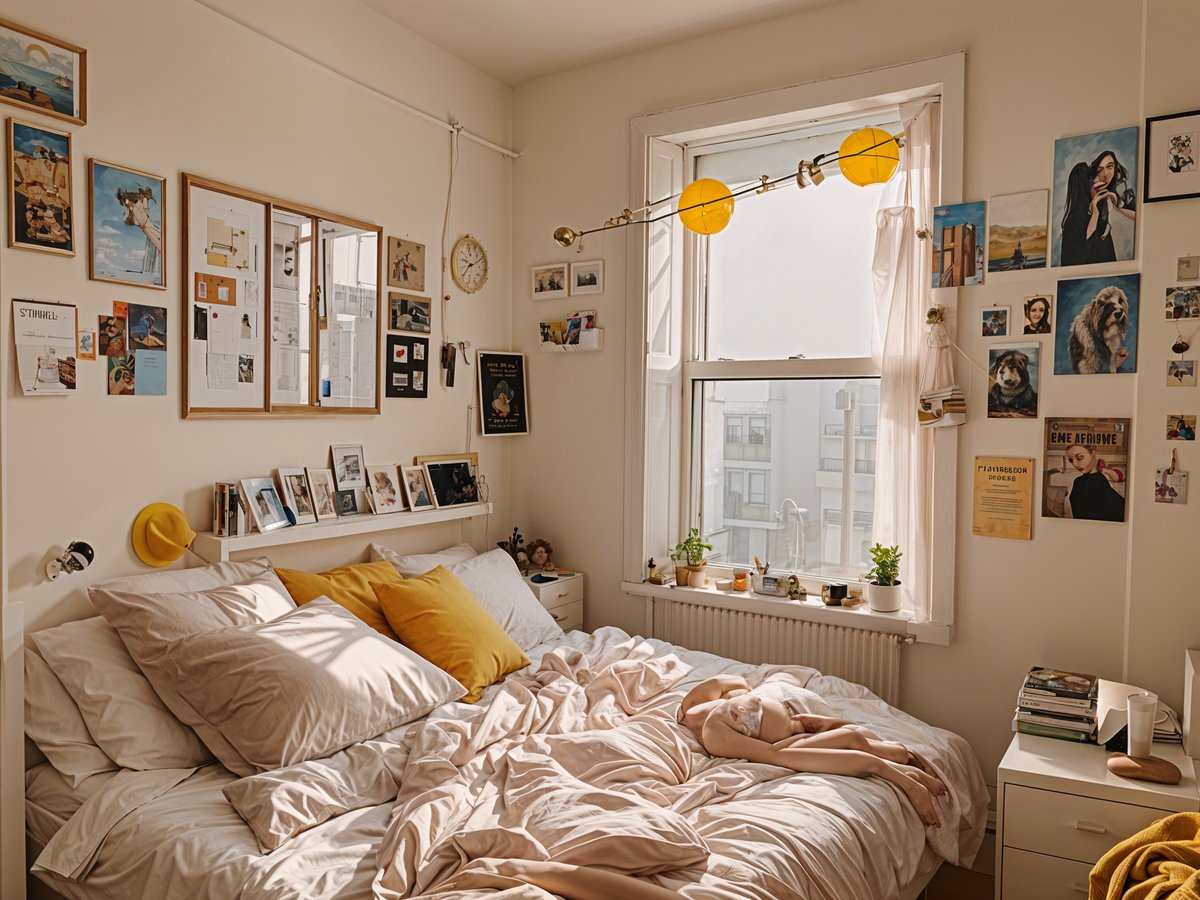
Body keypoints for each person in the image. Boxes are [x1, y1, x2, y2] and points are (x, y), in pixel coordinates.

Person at [678, 674, 946, 827]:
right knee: (848, 738)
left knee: (836, 743)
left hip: (752, 724)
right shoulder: (712, 708)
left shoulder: (698, 713)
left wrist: (780, 743)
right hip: (766, 716)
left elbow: (771, 751)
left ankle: (901, 770)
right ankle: (899, 765)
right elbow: (740, 685)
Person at [1063, 444, 1125, 521]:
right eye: (1071, 460)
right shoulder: (1084, 481)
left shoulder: (1094, 479)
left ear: (1092, 453)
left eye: (1080, 458)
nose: (1075, 464)